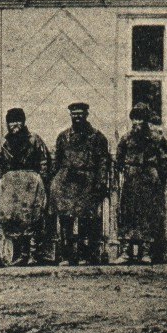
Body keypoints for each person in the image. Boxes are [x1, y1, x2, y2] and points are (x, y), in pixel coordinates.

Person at [51, 102, 112, 265]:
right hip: (67, 182)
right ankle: (67, 256)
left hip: (87, 181)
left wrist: (101, 181)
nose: (77, 117)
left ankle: (87, 255)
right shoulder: (63, 137)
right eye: (74, 114)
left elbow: (104, 162)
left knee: (88, 219)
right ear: (70, 115)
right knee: (66, 219)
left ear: (87, 115)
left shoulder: (97, 137)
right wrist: (56, 181)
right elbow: (57, 161)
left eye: (80, 114)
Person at [0, 107, 52, 265]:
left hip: (32, 185)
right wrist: (1, 181)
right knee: (14, 219)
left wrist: (42, 180)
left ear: (23, 122)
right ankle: (19, 254)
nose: (14, 125)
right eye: (11, 122)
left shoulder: (34, 140)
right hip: (12, 189)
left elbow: (44, 161)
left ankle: (34, 254)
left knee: (34, 217)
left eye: (18, 121)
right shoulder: (3, 143)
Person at [117, 103, 167, 264]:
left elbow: (166, 160)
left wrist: (158, 176)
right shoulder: (126, 138)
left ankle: (146, 252)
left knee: (149, 215)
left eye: (140, 118)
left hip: (149, 180)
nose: (136, 122)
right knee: (128, 214)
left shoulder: (156, 139)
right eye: (134, 118)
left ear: (146, 120)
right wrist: (126, 171)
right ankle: (127, 252)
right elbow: (119, 159)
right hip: (131, 180)